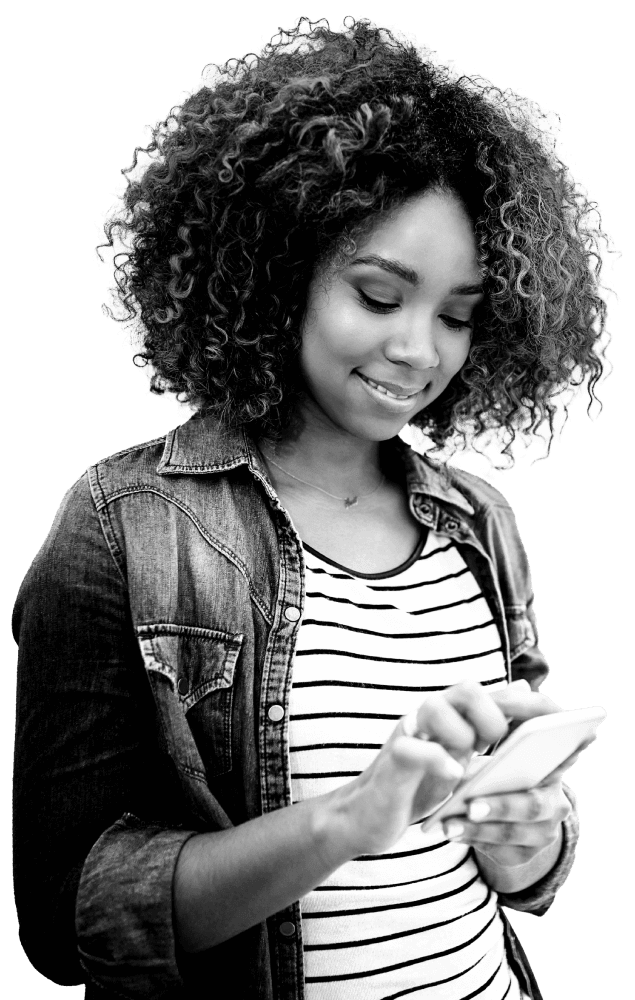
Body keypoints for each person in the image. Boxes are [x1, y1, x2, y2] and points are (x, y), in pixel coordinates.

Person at [12, 15, 615, 1000]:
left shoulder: (478, 523)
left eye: (456, 315)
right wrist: (346, 820)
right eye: (379, 297)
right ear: (278, 269)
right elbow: (65, 917)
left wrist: (532, 833)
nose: (419, 349)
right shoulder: (125, 522)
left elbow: (521, 871)